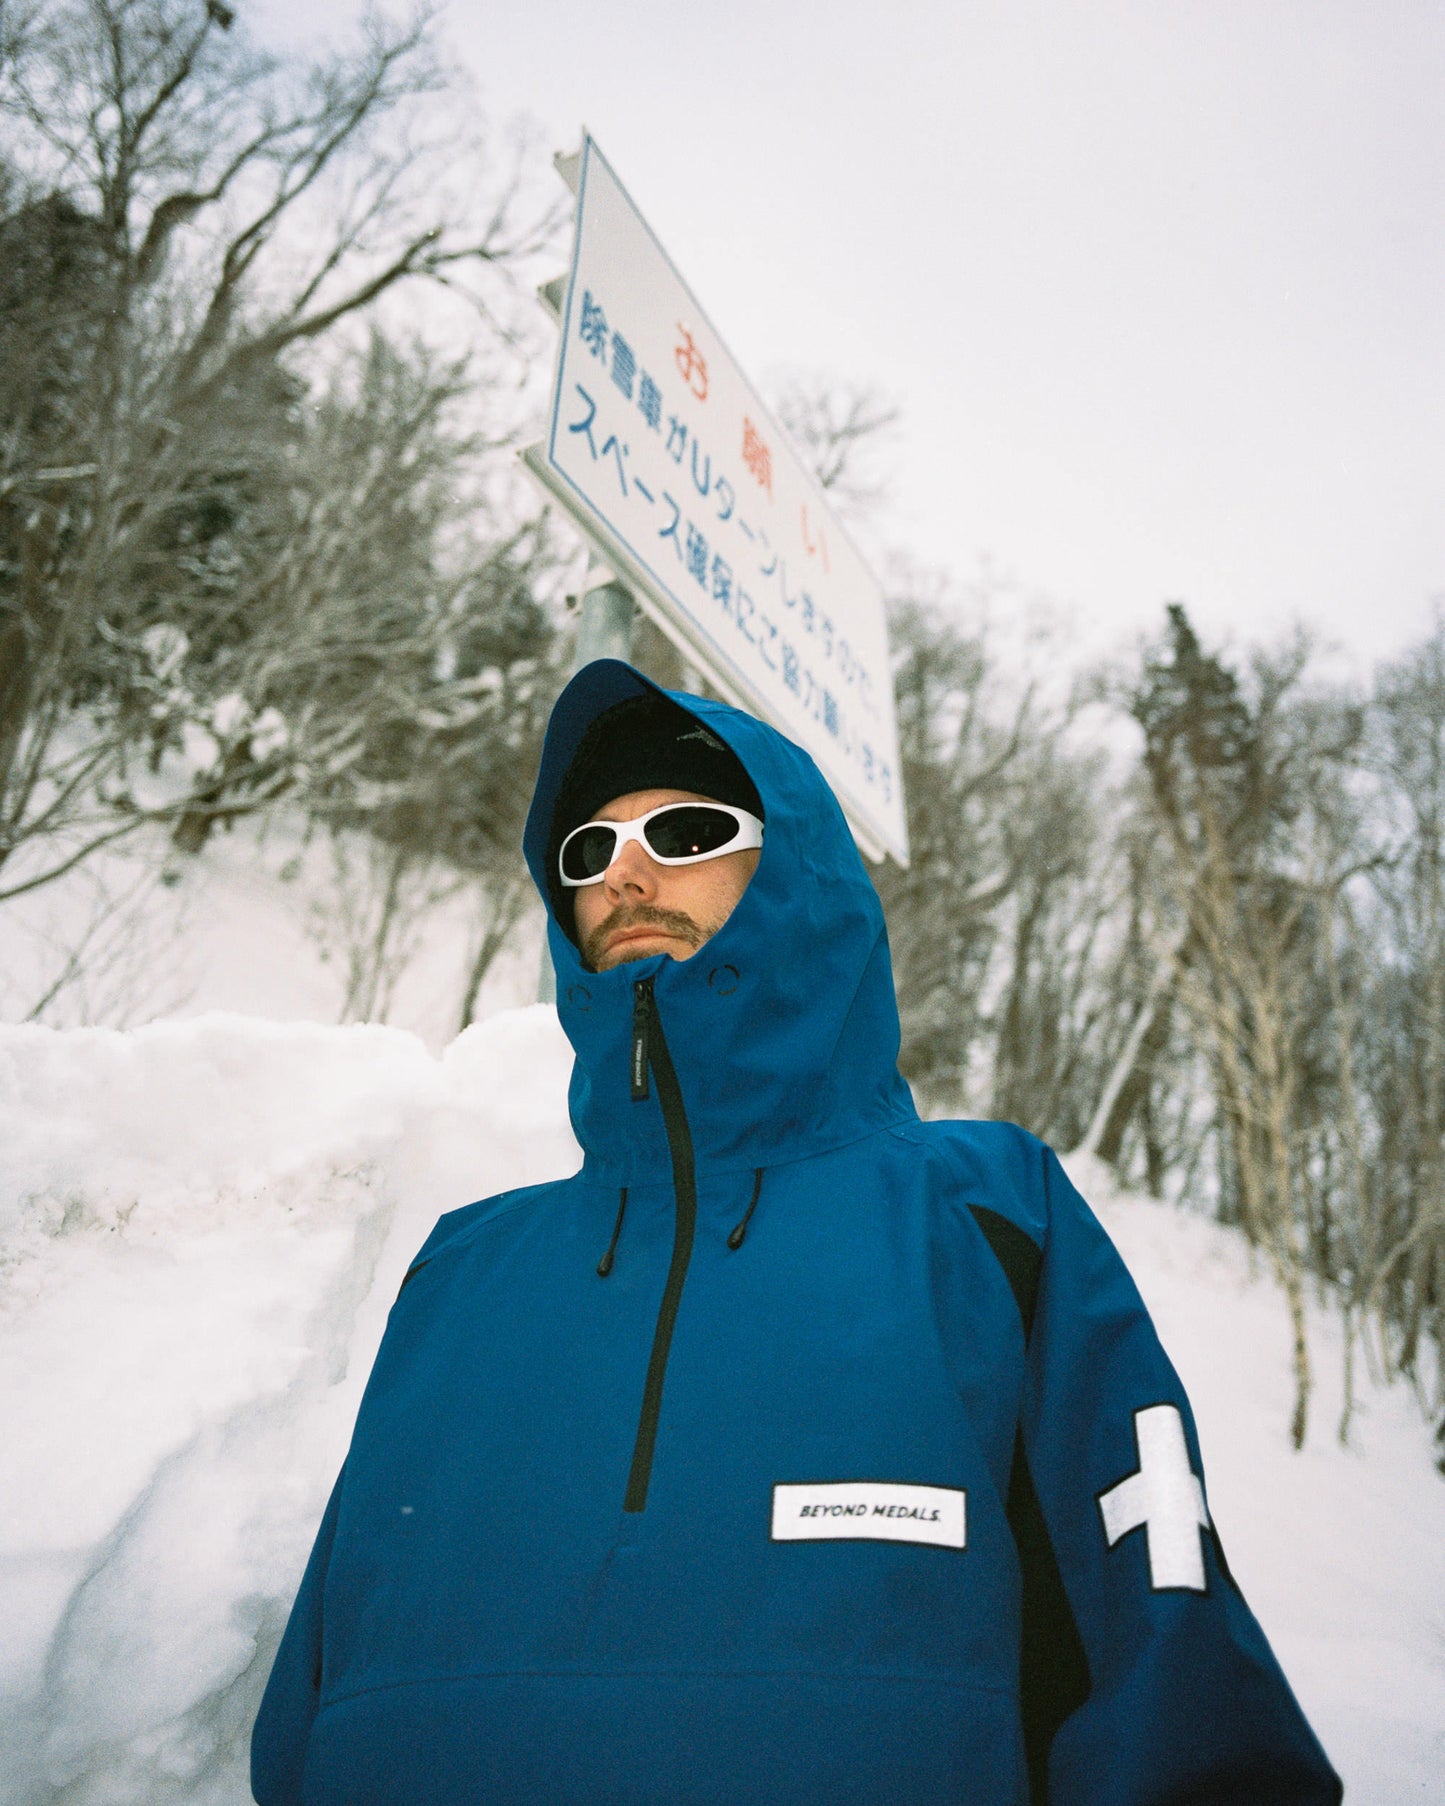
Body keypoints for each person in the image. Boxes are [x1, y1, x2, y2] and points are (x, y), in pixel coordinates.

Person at [252, 659, 1341, 1805]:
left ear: (795, 870)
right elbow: (317, 1687)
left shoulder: (983, 1213)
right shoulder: (459, 1269)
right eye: (588, 850)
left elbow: (1163, 1660)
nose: (624, 872)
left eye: (681, 830)